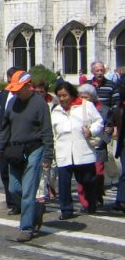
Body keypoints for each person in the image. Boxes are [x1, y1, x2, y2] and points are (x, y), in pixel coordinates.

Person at [0, 70, 54, 242]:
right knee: (14, 189)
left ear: (28, 86)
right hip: (15, 151)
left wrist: (48, 156)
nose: (15, 92)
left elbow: (47, 131)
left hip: (34, 150)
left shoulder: (39, 104)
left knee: (28, 191)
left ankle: (27, 228)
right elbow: (5, 129)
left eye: (18, 89)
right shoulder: (12, 103)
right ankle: (36, 209)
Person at [52, 81, 102, 219]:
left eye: (65, 95)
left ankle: (91, 203)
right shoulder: (56, 111)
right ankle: (66, 210)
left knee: (87, 180)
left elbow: (99, 122)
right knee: (64, 183)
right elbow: (52, 132)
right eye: (59, 96)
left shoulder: (86, 106)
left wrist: (91, 131)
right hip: (64, 152)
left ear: (72, 94)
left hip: (83, 151)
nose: (62, 99)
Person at [0, 66, 22, 214]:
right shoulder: (3, 94)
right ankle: (11, 201)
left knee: (19, 172)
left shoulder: (25, 96)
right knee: (4, 172)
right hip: (4, 141)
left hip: (19, 141)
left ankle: (21, 202)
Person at [76, 83, 109, 209]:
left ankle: (96, 194)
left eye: (87, 97)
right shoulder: (77, 108)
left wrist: (103, 141)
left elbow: (108, 127)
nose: (84, 100)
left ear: (93, 97)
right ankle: (86, 201)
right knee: (82, 175)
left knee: (98, 174)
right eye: (82, 97)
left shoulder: (103, 109)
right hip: (83, 146)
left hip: (99, 145)